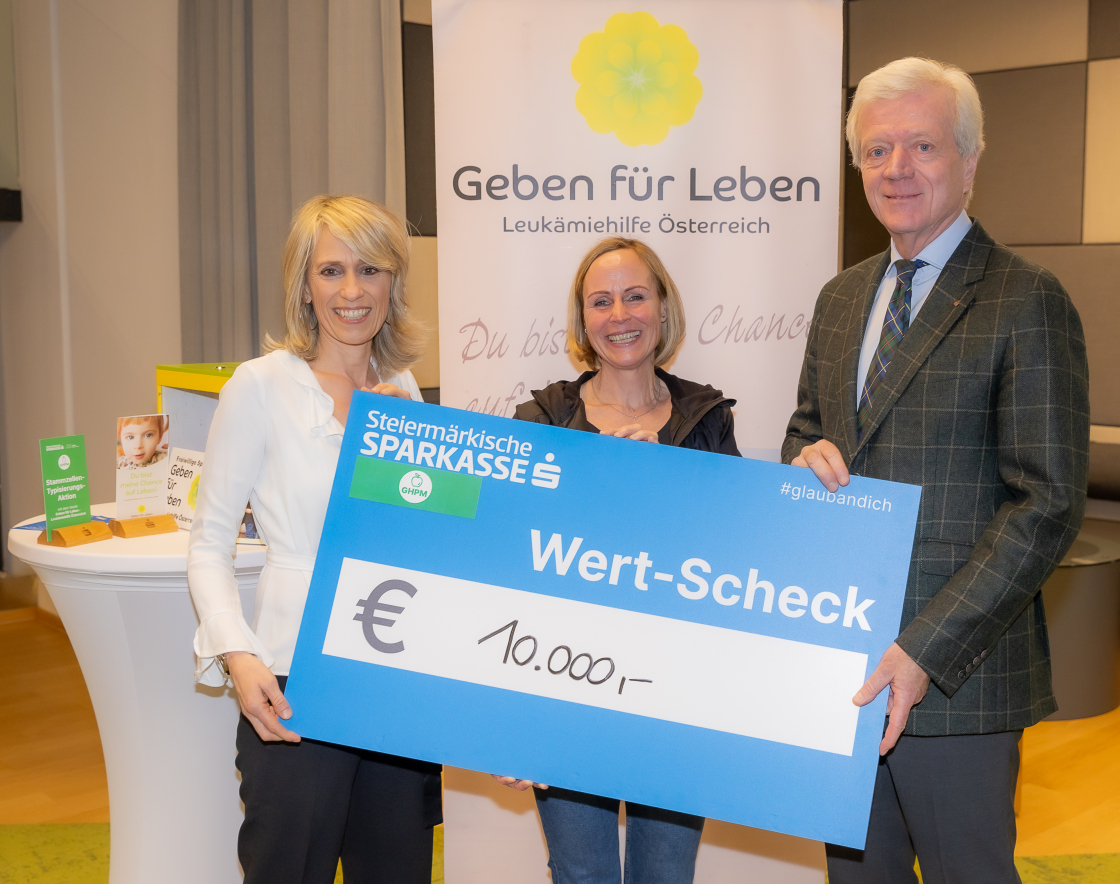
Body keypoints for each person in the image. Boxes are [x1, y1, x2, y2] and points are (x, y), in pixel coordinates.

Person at [783, 57, 1089, 884]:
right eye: (877, 150)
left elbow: (1047, 503)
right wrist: (802, 460)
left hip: (958, 682)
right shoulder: (840, 299)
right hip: (842, 668)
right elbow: (806, 435)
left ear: (970, 159)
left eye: (922, 146)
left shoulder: (1027, 299)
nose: (898, 169)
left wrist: (922, 649)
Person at [187, 195, 441, 884]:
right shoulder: (260, 386)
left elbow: (417, 541)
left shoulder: (404, 389)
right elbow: (209, 542)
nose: (352, 290)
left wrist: (401, 459)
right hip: (292, 675)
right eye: (331, 271)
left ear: (393, 282)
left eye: (370, 269)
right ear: (304, 285)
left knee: (396, 870)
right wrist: (238, 658)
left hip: (391, 674)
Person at [499, 236, 739, 884]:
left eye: (635, 296)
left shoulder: (708, 419)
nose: (619, 315)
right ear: (583, 320)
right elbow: (511, 563)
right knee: (583, 876)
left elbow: (733, 554)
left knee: (667, 876)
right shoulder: (542, 419)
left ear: (663, 307)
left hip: (676, 693)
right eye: (600, 301)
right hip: (565, 685)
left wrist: (663, 478)